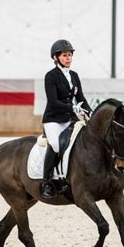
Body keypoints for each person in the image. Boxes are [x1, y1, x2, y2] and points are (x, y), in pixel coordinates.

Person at [41, 39, 92, 199]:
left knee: (76, 145)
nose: (68, 58)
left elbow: (80, 98)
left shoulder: (74, 76)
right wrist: (72, 108)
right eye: (64, 55)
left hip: (69, 119)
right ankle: (47, 182)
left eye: (70, 55)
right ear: (56, 58)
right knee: (56, 145)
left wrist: (91, 112)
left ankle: (69, 178)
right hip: (53, 119)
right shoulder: (51, 76)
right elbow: (53, 101)